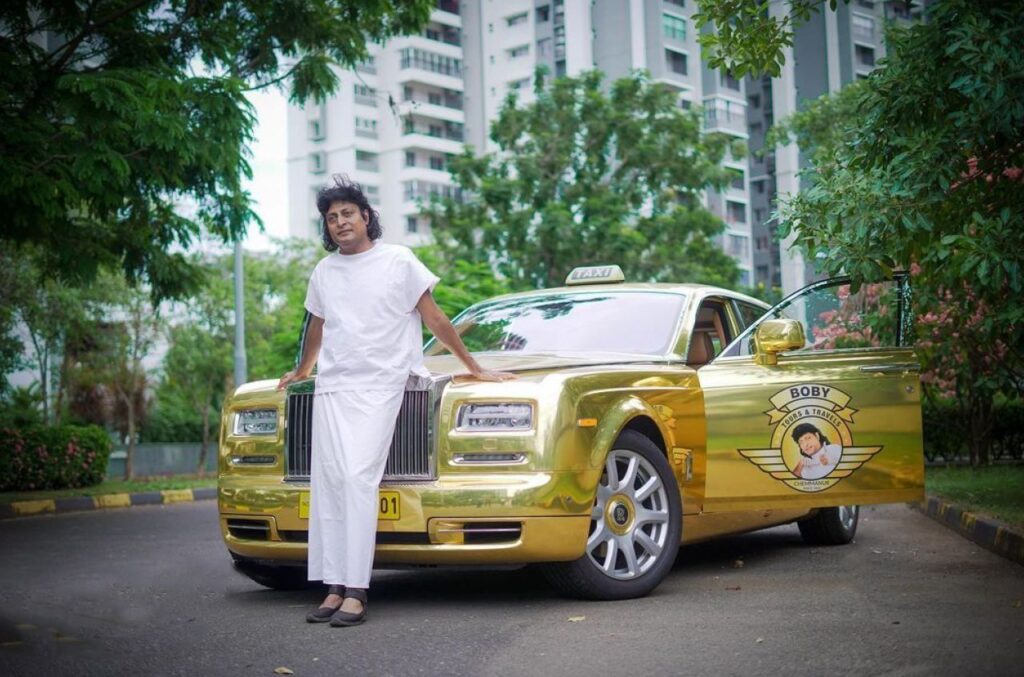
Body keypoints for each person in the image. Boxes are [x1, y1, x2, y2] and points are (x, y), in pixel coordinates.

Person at [277, 175, 513, 627]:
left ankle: (358, 590)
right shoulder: (325, 271)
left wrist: (475, 366)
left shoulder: (398, 261)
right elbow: (318, 327)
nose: (340, 222)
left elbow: (435, 318)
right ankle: (332, 586)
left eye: (348, 213)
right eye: (332, 218)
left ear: (366, 217)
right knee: (329, 483)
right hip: (334, 384)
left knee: (357, 478)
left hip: (382, 382)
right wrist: (304, 370)